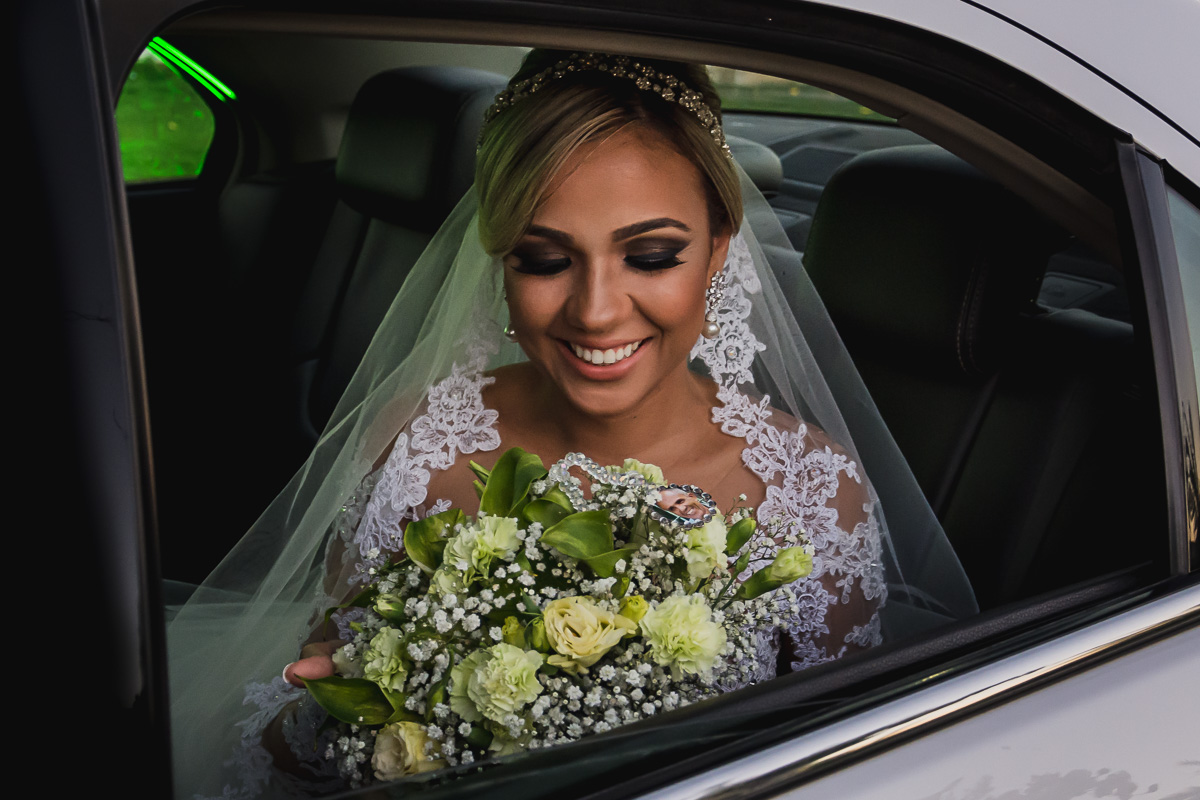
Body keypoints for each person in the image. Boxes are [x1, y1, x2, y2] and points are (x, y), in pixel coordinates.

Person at [168, 50, 976, 799]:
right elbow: (320, 687)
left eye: (652, 255)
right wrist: (343, 726)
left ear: (720, 249)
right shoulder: (417, 437)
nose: (594, 312)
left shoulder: (812, 497)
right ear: (500, 260)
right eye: (545, 259)